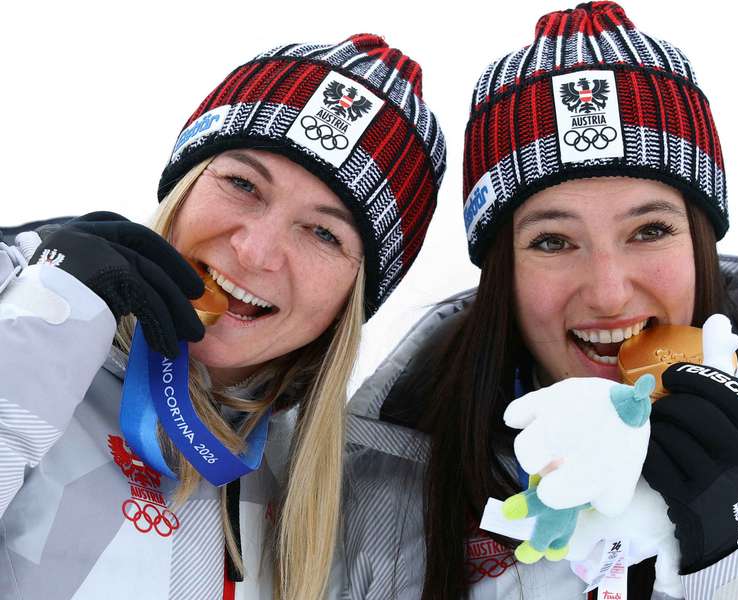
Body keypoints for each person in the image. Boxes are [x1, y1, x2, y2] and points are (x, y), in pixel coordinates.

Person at [338, 3, 738, 599]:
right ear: (503, 273)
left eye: (649, 230)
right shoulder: (387, 472)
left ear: (700, 241)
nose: (609, 292)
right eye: (553, 241)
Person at [0, 33, 446, 600]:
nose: (255, 251)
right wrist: (40, 325)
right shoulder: (26, 330)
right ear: (184, 188)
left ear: (352, 299)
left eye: (323, 232)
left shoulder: (345, 501)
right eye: (242, 184)